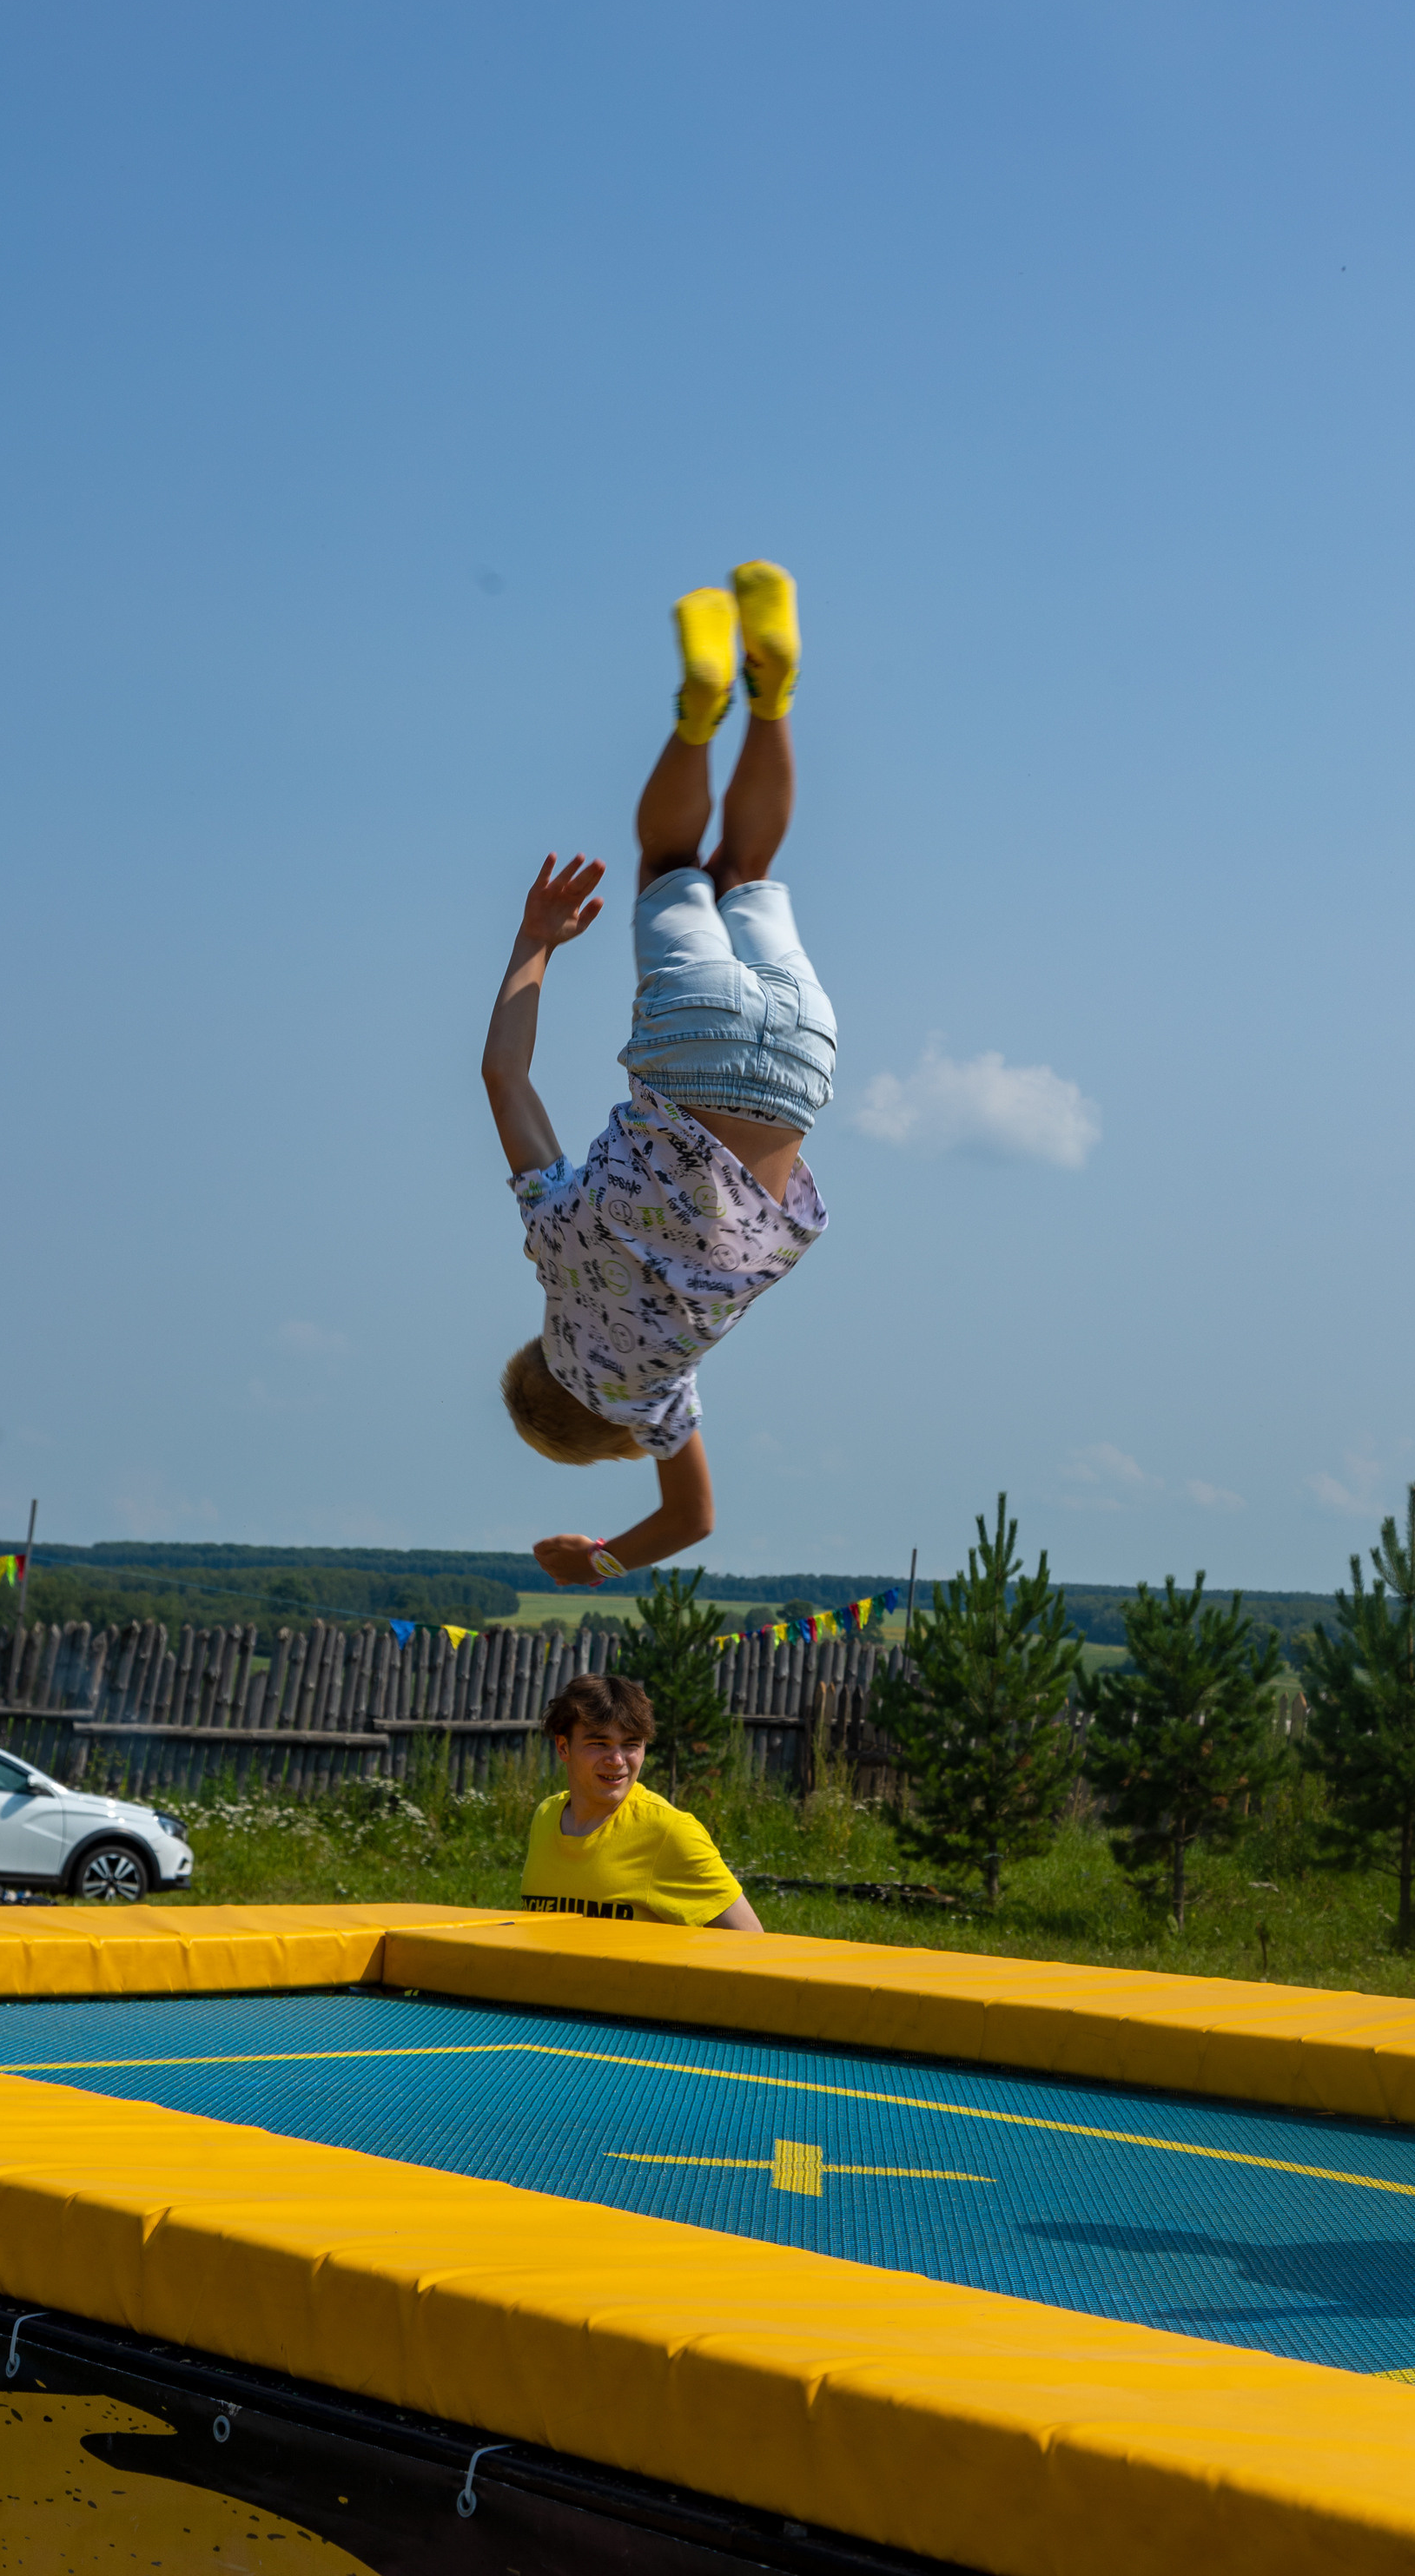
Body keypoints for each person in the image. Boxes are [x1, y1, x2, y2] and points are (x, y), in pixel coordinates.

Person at [481, 562, 833, 1593]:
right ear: (539, 1349)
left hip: (798, 1066)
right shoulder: (555, 1247)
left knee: (753, 873)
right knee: (672, 864)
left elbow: (693, 1517)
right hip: (692, 1047)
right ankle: (700, 714)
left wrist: (598, 1558)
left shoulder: (661, 1395)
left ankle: (771, 699)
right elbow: (505, 1079)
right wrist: (534, 942)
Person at [520, 1671, 763, 1931]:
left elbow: (750, 1939)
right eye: (600, 1743)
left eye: (631, 1745)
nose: (617, 1760)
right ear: (563, 1747)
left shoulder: (668, 1831)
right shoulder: (545, 1817)